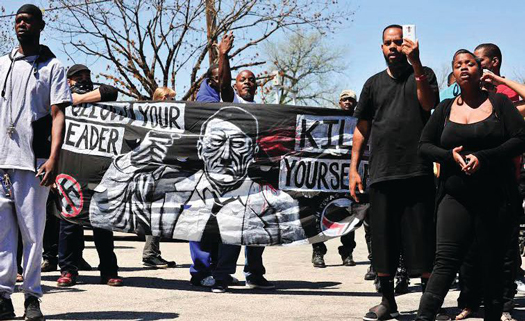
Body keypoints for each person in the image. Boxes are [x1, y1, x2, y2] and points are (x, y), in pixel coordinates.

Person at [415, 49, 525, 321]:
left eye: (470, 63)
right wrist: (448, 156)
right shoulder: (443, 109)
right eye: (458, 64)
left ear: (480, 70)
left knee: (492, 265)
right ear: (453, 73)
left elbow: (521, 138)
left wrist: (484, 158)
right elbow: (424, 146)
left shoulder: (499, 104)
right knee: (445, 262)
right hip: (455, 195)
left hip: (495, 197)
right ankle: (423, 317)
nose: (464, 67)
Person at [349, 24, 439, 321]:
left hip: (417, 170)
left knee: (423, 238)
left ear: (407, 44)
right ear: (381, 47)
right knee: (383, 241)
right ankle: (387, 301)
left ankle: (428, 304)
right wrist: (353, 170)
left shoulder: (423, 75)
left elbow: (429, 104)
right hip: (383, 173)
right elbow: (362, 131)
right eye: (388, 42)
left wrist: (416, 64)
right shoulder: (372, 84)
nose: (392, 47)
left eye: (398, 42)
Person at [0, 4, 71, 320]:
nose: (21, 24)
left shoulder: (53, 67)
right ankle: (3, 297)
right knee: (2, 235)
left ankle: (31, 297)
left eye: (27, 20)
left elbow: (58, 115)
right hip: (2, 161)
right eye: (17, 20)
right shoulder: (2, 65)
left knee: (32, 234)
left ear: (41, 26)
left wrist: (54, 157)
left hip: (34, 161)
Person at [454, 43, 523, 321]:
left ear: (492, 63)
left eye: (478, 61)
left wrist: (499, 82)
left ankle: (504, 304)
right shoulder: (465, 94)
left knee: (504, 248)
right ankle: (469, 301)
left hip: (505, 179)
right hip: (469, 180)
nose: (472, 67)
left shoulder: (507, 96)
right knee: (469, 245)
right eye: (466, 63)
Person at [217, 31, 278, 293]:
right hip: (234, 177)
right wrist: (223, 55)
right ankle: (222, 276)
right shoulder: (232, 103)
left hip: (259, 177)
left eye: (252, 81)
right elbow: (223, 84)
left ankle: (254, 273)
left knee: (258, 226)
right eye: (243, 80)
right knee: (232, 227)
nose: (248, 83)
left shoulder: (263, 110)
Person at [56, 64, 124, 287]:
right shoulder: (59, 98)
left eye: (87, 76)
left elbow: (110, 91)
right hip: (70, 171)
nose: (84, 79)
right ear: (68, 81)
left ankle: (109, 271)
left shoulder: (98, 98)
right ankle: (68, 270)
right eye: (78, 77)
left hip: (99, 174)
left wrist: (78, 100)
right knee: (69, 225)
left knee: (102, 224)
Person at [312, 90, 359, 268]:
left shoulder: (359, 123)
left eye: (351, 100)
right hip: (328, 178)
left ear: (355, 103)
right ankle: (318, 252)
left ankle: (347, 253)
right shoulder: (328, 121)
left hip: (349, 178)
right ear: (339, 102)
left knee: (350, 216)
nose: (347, 102)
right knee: (319, 215)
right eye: (344, 99)